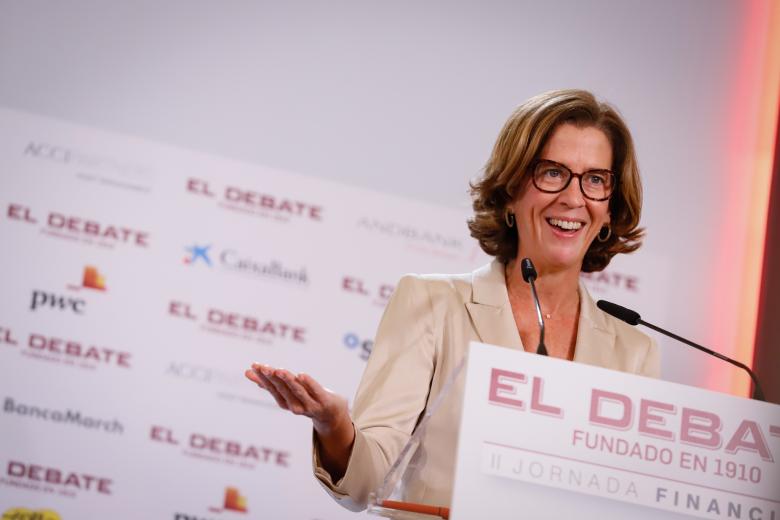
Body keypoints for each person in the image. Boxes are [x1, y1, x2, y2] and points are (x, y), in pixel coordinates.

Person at [244, 89, 659, 512]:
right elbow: (366, 485)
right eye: (552, 173)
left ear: (609, 207)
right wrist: (334, 426)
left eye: (595, 179)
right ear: (512, 190)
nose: (573, 198)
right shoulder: (431, 304)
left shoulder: (634, 352)